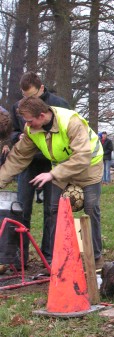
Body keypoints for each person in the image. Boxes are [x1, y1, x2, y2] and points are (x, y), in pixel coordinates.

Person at [0, 96, 104, 270]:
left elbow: (82, 157)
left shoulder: (71, 122)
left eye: (29, 120)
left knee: (91, 209)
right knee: (54, 211)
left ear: (42, 115)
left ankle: (96, 258)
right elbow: (18, 157)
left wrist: (52, 174)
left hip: (89, 167)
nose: (27, 124)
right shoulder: (32, 129)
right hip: (61, 170)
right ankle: (59, 259)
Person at [9, 71, 70, 266]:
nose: (29, 100)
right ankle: (20, 258)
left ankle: (49, 256)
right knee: (22, 209)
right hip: (28, 164)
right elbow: (13, 132)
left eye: (34, 96)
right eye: (26, 97)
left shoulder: (59, 104)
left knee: (51, 210)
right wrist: (16, 138)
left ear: (42, 89)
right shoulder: (17, 107)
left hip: (51, 163)